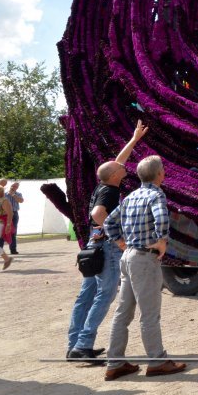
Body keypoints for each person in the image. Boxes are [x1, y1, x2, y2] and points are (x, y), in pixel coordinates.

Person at [66, 120, 148, 361]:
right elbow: (97, 214)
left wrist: (134, 140)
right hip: (107, 247)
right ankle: (83, 345)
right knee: (106, 294)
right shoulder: (111, 191)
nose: (123, 166)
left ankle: (74, 345)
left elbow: (117, 162)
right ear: (114, 175)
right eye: (119, 168)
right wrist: (117, 238)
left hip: (93, 245)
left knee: (86, 295)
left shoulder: (103, 185)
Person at [102, 155, 186, 380]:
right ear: (160, 174)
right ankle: (157, 361)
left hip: (128, 257)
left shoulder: (130, 196)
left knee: (122, 313)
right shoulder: (156, 195)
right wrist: (162, 241)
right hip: (144, 260)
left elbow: (108, 222)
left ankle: (115, 363)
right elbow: (162, 219)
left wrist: (120, 242)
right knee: (149, 314)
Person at [0, 182, 23, 254]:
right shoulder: (4, 194)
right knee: (2, 231)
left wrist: (13, 194)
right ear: (10, 186)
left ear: (17, 187)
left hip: (14, 213)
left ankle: (13, 249)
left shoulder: (18, 194)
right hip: (5, 214)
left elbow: (21, 200)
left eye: (16, 186)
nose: (13, 187)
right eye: (13, 186)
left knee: (13, 231)